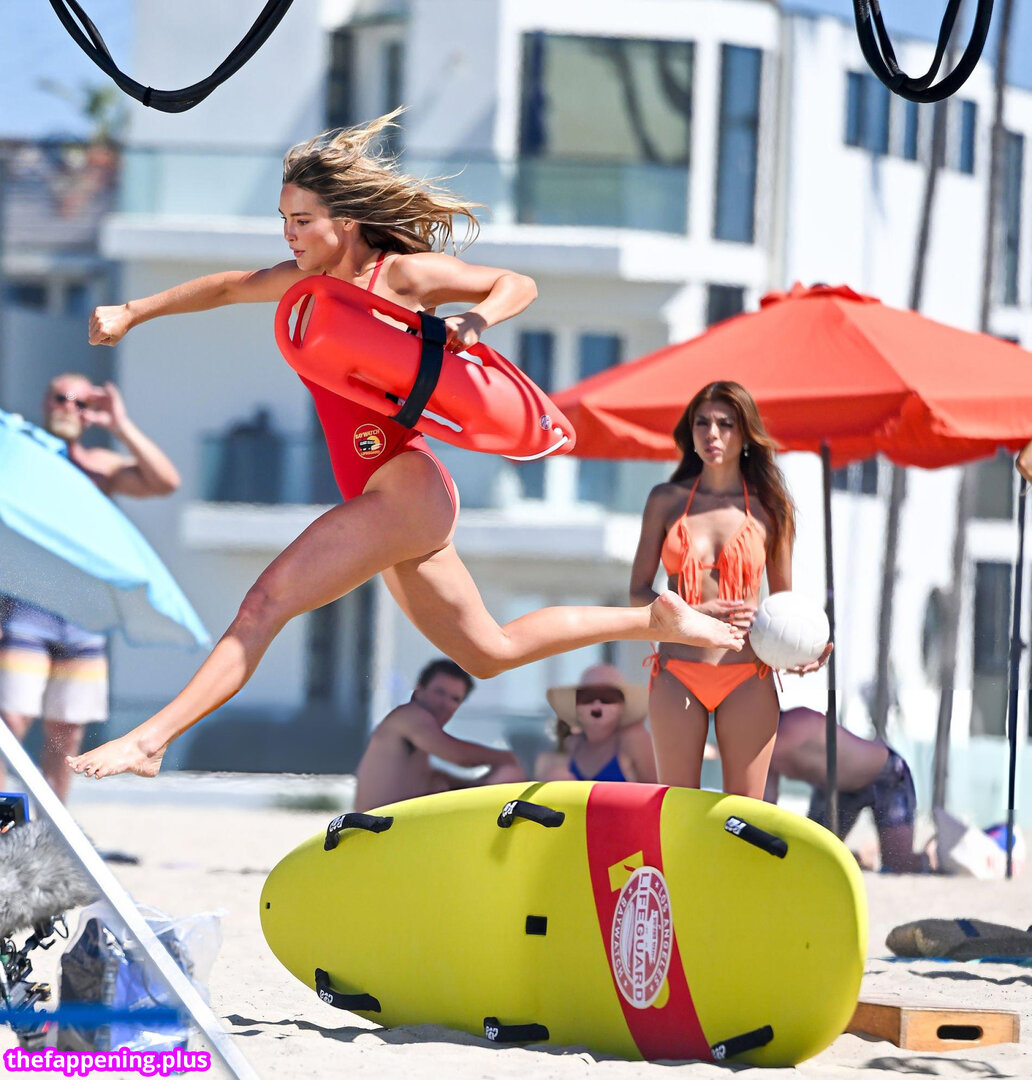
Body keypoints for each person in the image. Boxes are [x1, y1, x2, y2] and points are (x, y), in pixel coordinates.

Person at [68, 112, 742, 783]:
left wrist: (477, 320)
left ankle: (150, 740)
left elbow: (517, 284)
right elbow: (225, 286)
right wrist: (134, 311)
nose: (289, 234)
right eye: (283, 221)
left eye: (302, 220)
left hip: (404, 487)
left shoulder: (401, 277)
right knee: (491, 651)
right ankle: (652, 618)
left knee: (264, 604)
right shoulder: (304, 284)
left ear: (346, 221)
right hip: (396, 500)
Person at [629, 380, 831, 800]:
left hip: (747, 672)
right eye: (702, 423)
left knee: (742, 815)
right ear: (690, 432)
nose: (712, 434)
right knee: (677, 810)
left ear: (745, 434)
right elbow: (637, 592)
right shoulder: (665, 500)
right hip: (677, 670)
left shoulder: (771, 508)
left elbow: (784, 605)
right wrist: (692, 613)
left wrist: (800, 651)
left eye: (725, 424)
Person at [0, 373, 181, 801]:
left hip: (83, 619)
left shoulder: (98, 466)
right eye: (62, 398)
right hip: (26, 610)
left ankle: (52, 829)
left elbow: (165, 482)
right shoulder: (23, 454)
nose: (70, 407)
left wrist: (121, 425)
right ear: (46, 403)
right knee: (10, 725)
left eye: (81, 403)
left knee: (66, 735)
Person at [764, 707, 927, 873]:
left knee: (898, 865)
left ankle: (932, 854)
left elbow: (768, 753)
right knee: (812, 856)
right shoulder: (768, 752)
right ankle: (861, 856)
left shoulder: (795, 721)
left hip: (885, 773)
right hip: (835, 792)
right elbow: (766, 805)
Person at [353, 658, 523, 811]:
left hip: (390, 826)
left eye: (455, 699)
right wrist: (513, 758)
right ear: (418, 691)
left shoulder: (419, 740)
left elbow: (427, 780)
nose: (445, 704)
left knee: (507, 775)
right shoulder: (410, 716)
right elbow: (459, 755)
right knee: (510, 772)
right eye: (439, 692)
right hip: (377, 830)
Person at [535, 662, 657, 784]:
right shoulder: (570, 745)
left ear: (622, 706)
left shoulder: (635, 741)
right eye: (587, 698)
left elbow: (657, 790)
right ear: (576, 706)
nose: (597, 704)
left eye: (608, 698)